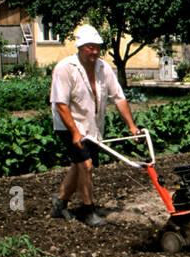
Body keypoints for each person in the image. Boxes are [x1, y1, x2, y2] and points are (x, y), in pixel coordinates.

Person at [50, 24, 139, 226]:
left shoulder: (103, 67)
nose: (95, 51)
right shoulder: (65, 68)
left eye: (97, 47)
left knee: (79, 165)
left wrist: (132, 127)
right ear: (80, 47)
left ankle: (60, 203)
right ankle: (88, 210)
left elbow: (119, 98)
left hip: (91, 125)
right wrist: (74, 132)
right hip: (68, 125)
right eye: (90, 47)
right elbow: (61, 104)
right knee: (85, 165)